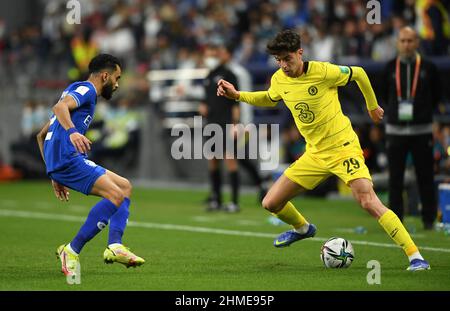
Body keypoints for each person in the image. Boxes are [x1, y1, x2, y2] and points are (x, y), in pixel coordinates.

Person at [217, 29, 430, 271]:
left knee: (368, 201)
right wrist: (237, 96)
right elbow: (270, 97)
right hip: (315, 153)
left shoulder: (323, 71)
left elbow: (359, 73)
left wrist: (372, 106)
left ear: (300, 53)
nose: (284, 65)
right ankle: (303, 228)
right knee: (271, 202)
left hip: (342, 147)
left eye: (287, 59)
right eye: (279, 60)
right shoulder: (279, 78)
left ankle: (416, 257)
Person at [36, 54, 145, 283]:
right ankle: (71, 251)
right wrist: (73, 132)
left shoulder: (73, 90)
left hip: (62, 161)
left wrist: (52, 173)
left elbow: (42, 135)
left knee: (124, 187)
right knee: (115, 195)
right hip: (68, 158)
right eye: (116, 78)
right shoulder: (86, 90)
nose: (117, 84)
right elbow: (59, 108)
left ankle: (114, 245)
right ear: (105, 76)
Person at [382, 26, 440, 230]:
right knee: (394, 178)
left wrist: (423, 115)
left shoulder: (428, 67)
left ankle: (429, 219)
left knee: (426, 176)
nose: (406, 44)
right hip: (395, 131)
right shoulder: (389, 67)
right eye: (403, 40)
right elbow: (383, 96)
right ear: (398, 43)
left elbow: (437, 97)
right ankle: (395, 221)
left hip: (421, 130)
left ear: (417, 42)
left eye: (410, 40)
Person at [199, 43, 240, 213]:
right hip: (211, 124)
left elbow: (236, 101)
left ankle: (234, 202)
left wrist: (235, 125)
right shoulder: (208, 75)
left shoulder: (229, 74)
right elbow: (206, 99)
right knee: (213, 162)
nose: (209, 58)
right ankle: (216, 199)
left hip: (226, 123)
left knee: (230, 161)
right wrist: (202, 106)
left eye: (212, 55)